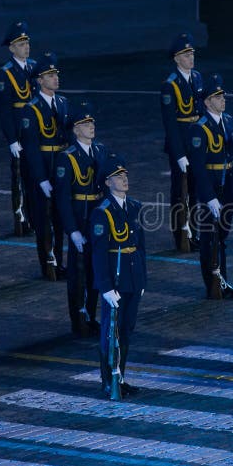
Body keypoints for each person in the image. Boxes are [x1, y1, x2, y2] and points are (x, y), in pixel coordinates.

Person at [91, 154, 147, 398]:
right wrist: (104, 287)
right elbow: (99, 253)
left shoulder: (133, 206)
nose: (124, 179)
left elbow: (141, 245)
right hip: (114, 279)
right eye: (117, 176)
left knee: (126, 330)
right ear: (107, 182)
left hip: (132, 276)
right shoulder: (102, 212)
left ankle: (120, 377)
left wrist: (142, 278)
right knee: (110, 332)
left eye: (125, 175)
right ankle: (108, 380)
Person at [54, 100, 107, 337]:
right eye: (85, 123)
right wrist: (72, 230)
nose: (91, 126)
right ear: (76, 129)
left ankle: (90, 315)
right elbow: (63, 198)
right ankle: (78, 318)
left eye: (92, 122)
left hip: (96, 216)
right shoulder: (67, 158)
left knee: (95, 270)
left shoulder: (100, 150)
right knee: (78, 273)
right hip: (80, 217)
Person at [188, 73, 233, 299]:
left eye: (223, 96)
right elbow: (198, 167)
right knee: (211, 238)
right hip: (212, 187)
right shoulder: (200, 128)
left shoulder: (227, 121)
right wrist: (209, 197)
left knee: (222, 236)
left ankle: (223, 281)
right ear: (207, 102)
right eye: (218, 97)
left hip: (227, 184)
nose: (223, 99)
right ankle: (214, 284)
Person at [19, 52, 69, 281]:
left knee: (59, 218)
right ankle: (48, 263)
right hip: (42, 167)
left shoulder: (63, 102)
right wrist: (41, 179)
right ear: (39, 80)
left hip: (59, 166)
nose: (55, 78)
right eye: (49, 75)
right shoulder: (31, 109)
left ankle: (59, 260)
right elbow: (30, 148)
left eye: (55, 74)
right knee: (43, 219)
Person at [161, 33, 204, 252]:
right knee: (181, 193)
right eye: (186, 54)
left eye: (192, 53)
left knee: (196, 192)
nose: (190, 57)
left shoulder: (197, 78)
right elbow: (170, 123)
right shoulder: (171, 85)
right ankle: (181, 237)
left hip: (196, 144)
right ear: (177, 59)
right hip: (181, 145)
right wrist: (179, 154)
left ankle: (194, 232)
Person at [0, 21, 37, 237]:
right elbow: (4, 111)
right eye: (20, 44)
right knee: (20, 177)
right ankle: (20, 219)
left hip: (37, 132)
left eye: (27, 42)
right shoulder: (5, 73)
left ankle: (35, 216)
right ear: (11, 48)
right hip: (20, 133)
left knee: (36, 176)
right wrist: (12, 139)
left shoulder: (35, 67)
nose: (26, 47)